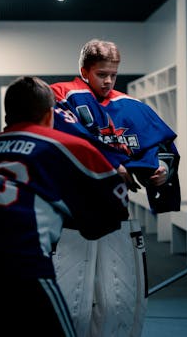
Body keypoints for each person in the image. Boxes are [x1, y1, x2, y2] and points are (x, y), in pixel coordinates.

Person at [0, 76, 130, 336]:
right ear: (51, 114)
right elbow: (113, 212)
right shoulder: (67, 146)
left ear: (8, 115)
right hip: (18, 266)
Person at [50, 39, 180, 337]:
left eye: (113, 74)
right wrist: (111, 164)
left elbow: (160, 147)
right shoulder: (61, 95)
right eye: (101, 74)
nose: (108, 81)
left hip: (115, 215)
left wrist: (160, 170)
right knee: (73, 299)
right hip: (72, 217)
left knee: (118, 301)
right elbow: (66, 141)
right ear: (84, 70)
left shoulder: (130, 105)